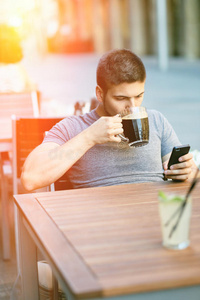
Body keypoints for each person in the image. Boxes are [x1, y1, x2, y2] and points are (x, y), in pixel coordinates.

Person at [21, 49, 197, 192]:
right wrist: (89, 138)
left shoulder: (156, 120)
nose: (132, 106)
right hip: (101, 224)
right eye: (121, 98)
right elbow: (30, 178)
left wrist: (186, 171)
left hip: (155, 216)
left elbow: (190, 175)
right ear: (100, 94)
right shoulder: (74, 128)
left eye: (139, 96)